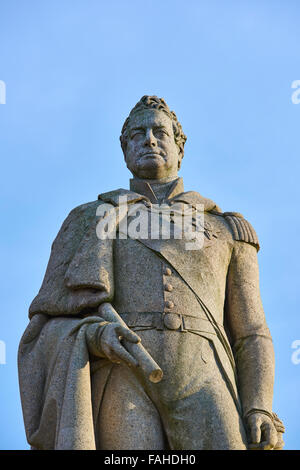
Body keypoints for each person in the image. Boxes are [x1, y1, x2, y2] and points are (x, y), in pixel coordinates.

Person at [18, 95, 284, 450]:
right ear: (124, 149)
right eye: (137, 134)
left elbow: (251, 332)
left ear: (180, 146)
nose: (149, 139)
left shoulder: (226, 229)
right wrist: (95, 337)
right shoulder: (89, 219)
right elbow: (45, 322)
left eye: (159, 131)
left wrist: (259, 405)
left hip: (206, 376)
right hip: (123, 373)